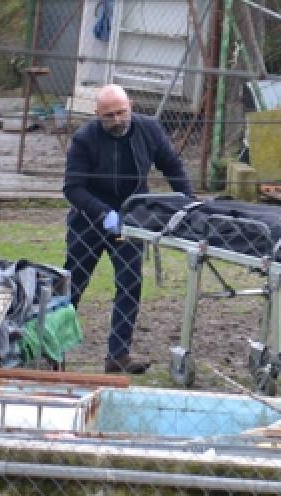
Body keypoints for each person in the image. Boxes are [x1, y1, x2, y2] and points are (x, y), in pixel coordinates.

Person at [62, 84, 193, 373]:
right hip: (89, 220)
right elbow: (72, 188)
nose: (117, 120)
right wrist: (103, 213)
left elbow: (172, 166)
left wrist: (189, 202)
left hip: (132, 219)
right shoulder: (85, 139)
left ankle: (118, 355)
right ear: (97, 114)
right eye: (109, 116)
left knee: (130, 285)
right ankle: (53, 350)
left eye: (122, 112)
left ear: (131, 106)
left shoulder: (149, 130)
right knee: (73, 285)